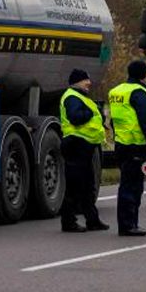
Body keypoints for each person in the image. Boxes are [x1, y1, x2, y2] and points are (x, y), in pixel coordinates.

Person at [108, 60, 146, 237]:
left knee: (126, 185)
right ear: (144, 74)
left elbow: (114, 120)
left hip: (121, 144)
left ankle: (127, 223)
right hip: (136, 146)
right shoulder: (139, 92)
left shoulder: (116, 91)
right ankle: (129, 225)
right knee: (133, 188)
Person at [59, 68, 108, 233]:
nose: (89, 83)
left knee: (88, 186)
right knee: (74, 186)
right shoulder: (72, 97)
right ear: (77, 81)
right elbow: (75, 117)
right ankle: (68, 222)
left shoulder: (81, 97)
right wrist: (90, 113)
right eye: (86, 80)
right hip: (76, 145)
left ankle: (92, 220)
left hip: (84, 146)